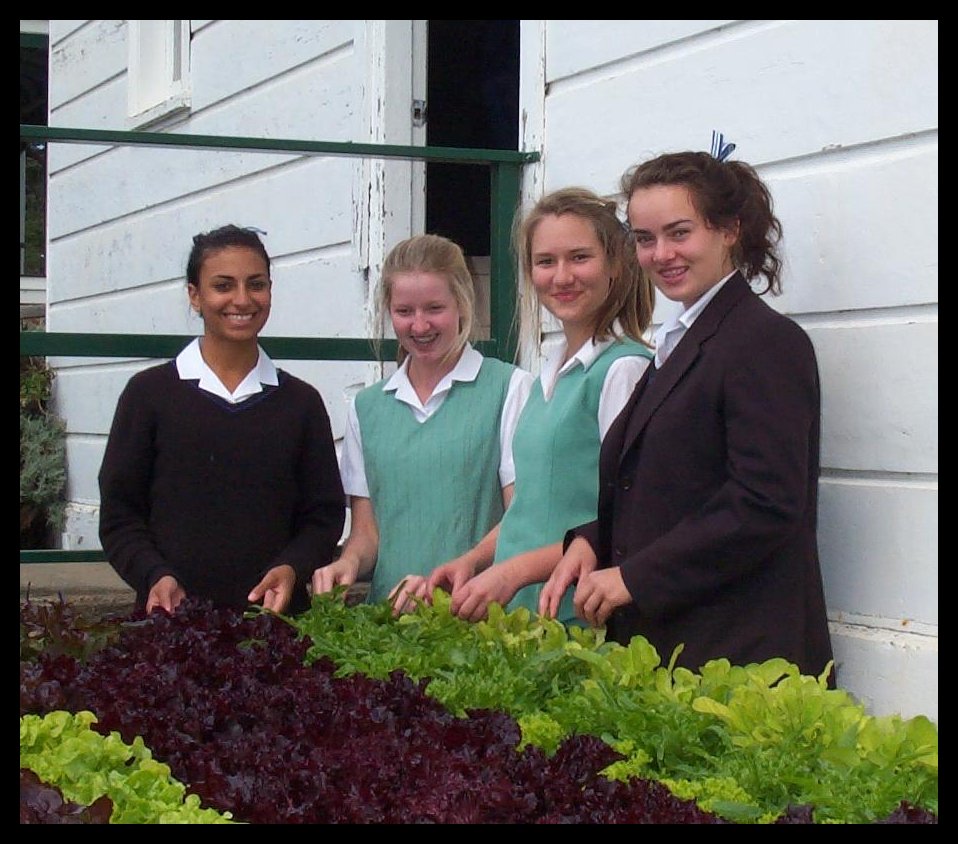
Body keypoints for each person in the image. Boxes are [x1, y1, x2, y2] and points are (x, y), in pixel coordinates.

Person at [540, 151, 835, 681]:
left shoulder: (764, 342)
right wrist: (592, 539)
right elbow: (667, 488)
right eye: (646, 238)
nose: (661, 254)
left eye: (680, 233)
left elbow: (765, 503)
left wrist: (633, 576)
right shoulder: (681, 338)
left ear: (729, 230)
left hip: (742, 657)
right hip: (681, 647)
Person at [418, 187, 655, 623]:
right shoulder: (544, 374)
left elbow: (631, 519)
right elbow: (530, 505)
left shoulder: (623, 371)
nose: (561, 276)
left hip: (578, 612)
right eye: (545, 262)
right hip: (523, 612)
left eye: (579, 257)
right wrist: (474, 560)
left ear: (615, 267)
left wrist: (513, 572)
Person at [98, 224, 345, 616]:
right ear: (195, 295)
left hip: (277, 625)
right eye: (223, 285)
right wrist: (154, 575)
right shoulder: (148, 395)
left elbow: (324, 515)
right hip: (173, 631)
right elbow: (120, 515)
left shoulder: (301, 403)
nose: (242, 299)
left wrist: (293, 568)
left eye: (257, 284)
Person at [310, 234, 534, 611]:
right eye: (404, 311)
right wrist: (347, 563)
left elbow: (521, 516)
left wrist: (462, 570)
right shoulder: (368, 407)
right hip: (391, 620)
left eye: (434, 308)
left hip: (480, 616)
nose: (419, 325)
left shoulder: (510, 388)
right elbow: (367, 533)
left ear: (463, 304)